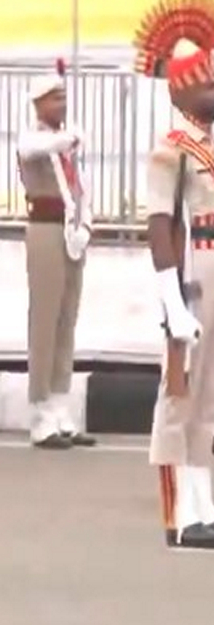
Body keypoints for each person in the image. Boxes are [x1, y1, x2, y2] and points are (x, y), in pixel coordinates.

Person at [135, 0, 214, 549]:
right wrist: (171, 302)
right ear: (181, 90)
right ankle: (178, 514)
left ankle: (203, 502)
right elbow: (160, 225)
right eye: (206, 84)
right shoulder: (171, 149)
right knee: (178, 393)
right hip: (190, 274)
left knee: (208, 394)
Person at [19, 60, 94, 449]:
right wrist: (67, 139)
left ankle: (61, 407)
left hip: (69, 231)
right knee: (44, 322)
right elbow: (36, 147)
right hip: (45, 230)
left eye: (64, 96)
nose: (63, 103)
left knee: (67, 320)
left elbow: (79, 185)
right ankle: (40, 412)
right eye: (56, 97)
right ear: (39, 102)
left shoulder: (64, 144)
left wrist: (87, 223)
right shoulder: (33, 140)